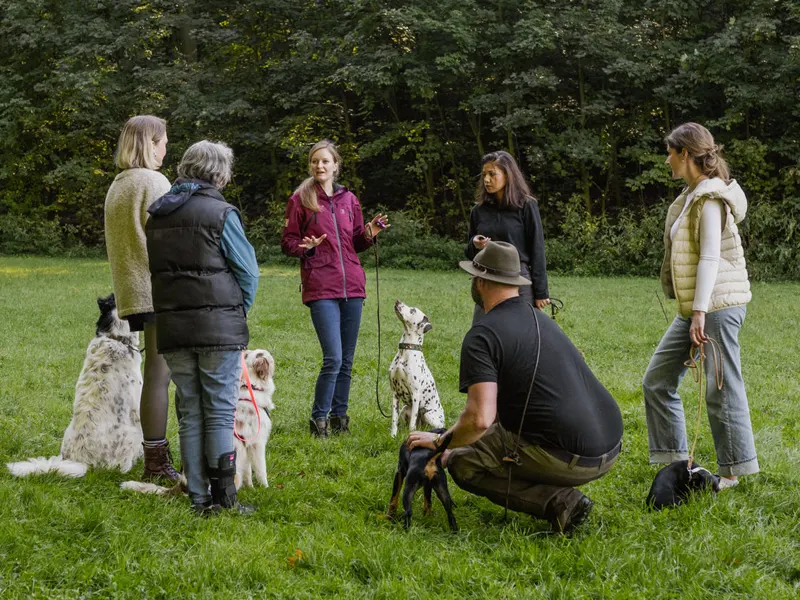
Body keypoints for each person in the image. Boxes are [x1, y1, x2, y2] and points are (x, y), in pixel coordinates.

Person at [408, 241, 623, 534]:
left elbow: (480, 419)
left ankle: (561, 501)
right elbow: (492, 418)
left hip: (571, 458)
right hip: (610, 446)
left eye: (473, 275)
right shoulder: (540, 321)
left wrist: (440, 443)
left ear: (481, 281)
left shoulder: (482, 335)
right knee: (480, 442)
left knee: (461, 463)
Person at [146, 140, 260, 515]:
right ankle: (224, 498)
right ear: (219, 174)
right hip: (218, 329)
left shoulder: (157, 215)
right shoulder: (222, 213)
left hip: (173, 326)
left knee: (191, 411)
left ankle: (198, 498)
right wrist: (237, 312)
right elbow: (248, 272)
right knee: (220, 410)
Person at [643, 122, 758, 487]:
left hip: (717, 307)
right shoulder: (691, 196)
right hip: (699, 308)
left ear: (686, 154)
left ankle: (732, 472)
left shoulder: (709, 198)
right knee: (657, 380)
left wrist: (699, 314)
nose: (666, 161)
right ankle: (678, 467)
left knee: (721, 387)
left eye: (670, 153)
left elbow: (709, 258)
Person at [281, 140, 389, 438]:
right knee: (334, 358)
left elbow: (355, 242)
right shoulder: (300, 199)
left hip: (352, 285)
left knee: (348, 360)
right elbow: (288, 242)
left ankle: (341, 417)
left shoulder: (349, 199)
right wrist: (307, 248)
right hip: (321, 286)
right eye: (315, 161)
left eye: (325, 161)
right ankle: (319, 420)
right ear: (310, 166)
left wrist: (370, 234)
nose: (320, 166)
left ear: (336, 165)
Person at [104, 115, 180, 482]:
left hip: (133, 290)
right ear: (150, 143)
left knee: (155, 372)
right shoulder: (153, 182)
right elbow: (171, 238)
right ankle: (157, 461)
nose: (166, 147)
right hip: (159, 288)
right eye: (163, 140)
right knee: (162, 375)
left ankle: (156, 456)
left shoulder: (119, 184)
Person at [465, 151, 550, 323]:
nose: (486, 180)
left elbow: (537, 249)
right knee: (484, 333)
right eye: (484, 175)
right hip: (486, 277)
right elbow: (468, 252)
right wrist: (475, 244)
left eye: (492, 174)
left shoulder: (526, 205)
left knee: (522, 333)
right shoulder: (479, 210)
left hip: (518, 278)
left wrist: (541, 292)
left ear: (507, 174)